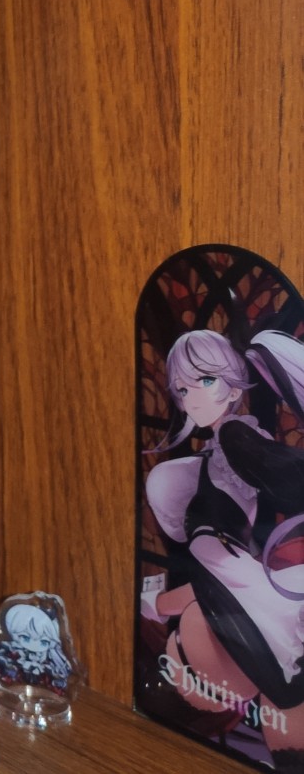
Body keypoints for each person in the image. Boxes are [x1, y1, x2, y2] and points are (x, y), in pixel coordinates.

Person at [144, 328, 304, 767]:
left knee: (280, 682)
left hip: (230, 572)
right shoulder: (218, 448)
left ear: (233, 387)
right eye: (182, 389)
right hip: (224, 572)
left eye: (206, 380)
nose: (191, 398)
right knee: (277, 685)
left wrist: (156, 603)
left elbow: (289, 476)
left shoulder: (235, 437)